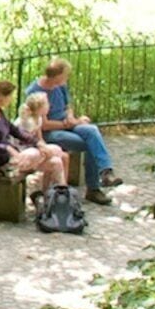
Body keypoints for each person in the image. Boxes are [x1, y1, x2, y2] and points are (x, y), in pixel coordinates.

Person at [0, 80, 70, 213]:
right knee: (44, 152)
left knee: (56, 161)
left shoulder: (0, 113)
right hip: (4, 162)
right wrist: (6, 148)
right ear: (2, 96)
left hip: (15, 158)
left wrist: (38, 143)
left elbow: (17, 132)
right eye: (10, 96)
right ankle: (46, 197)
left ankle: (61, 200)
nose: (11, 99)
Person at [33, 59, 116, 203]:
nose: (67, 78)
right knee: (90, 143)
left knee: (92, 130)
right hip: (51, 132)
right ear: (57, 75)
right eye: (65, 75)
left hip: (67, 123)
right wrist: (68, 124)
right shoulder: (36, 91)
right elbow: (44, 125)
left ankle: (105, 171)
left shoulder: (60, 86)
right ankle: (93, 188)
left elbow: (68, 106)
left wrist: (71, 118)